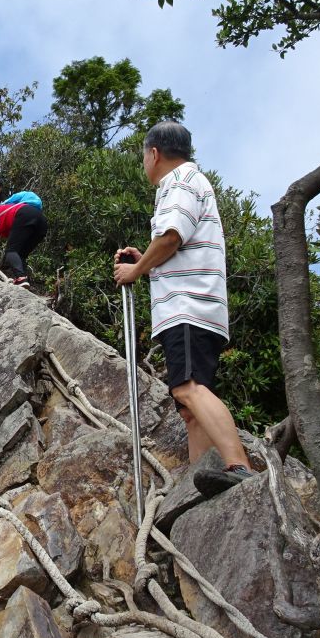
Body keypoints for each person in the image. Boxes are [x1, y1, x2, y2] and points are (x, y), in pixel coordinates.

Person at [112, 121, 254, 498]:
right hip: (199, 304)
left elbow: (172, 235)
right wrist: (148, 260)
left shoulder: (178, 182)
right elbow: (179, 243)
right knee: (189, 404)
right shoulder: (192, 181)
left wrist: (136, 270)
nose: (144, 164)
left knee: (187, 387)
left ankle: (238, 466)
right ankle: (203, 481)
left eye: (144, 156)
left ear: (154, 153)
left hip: (188, 306)